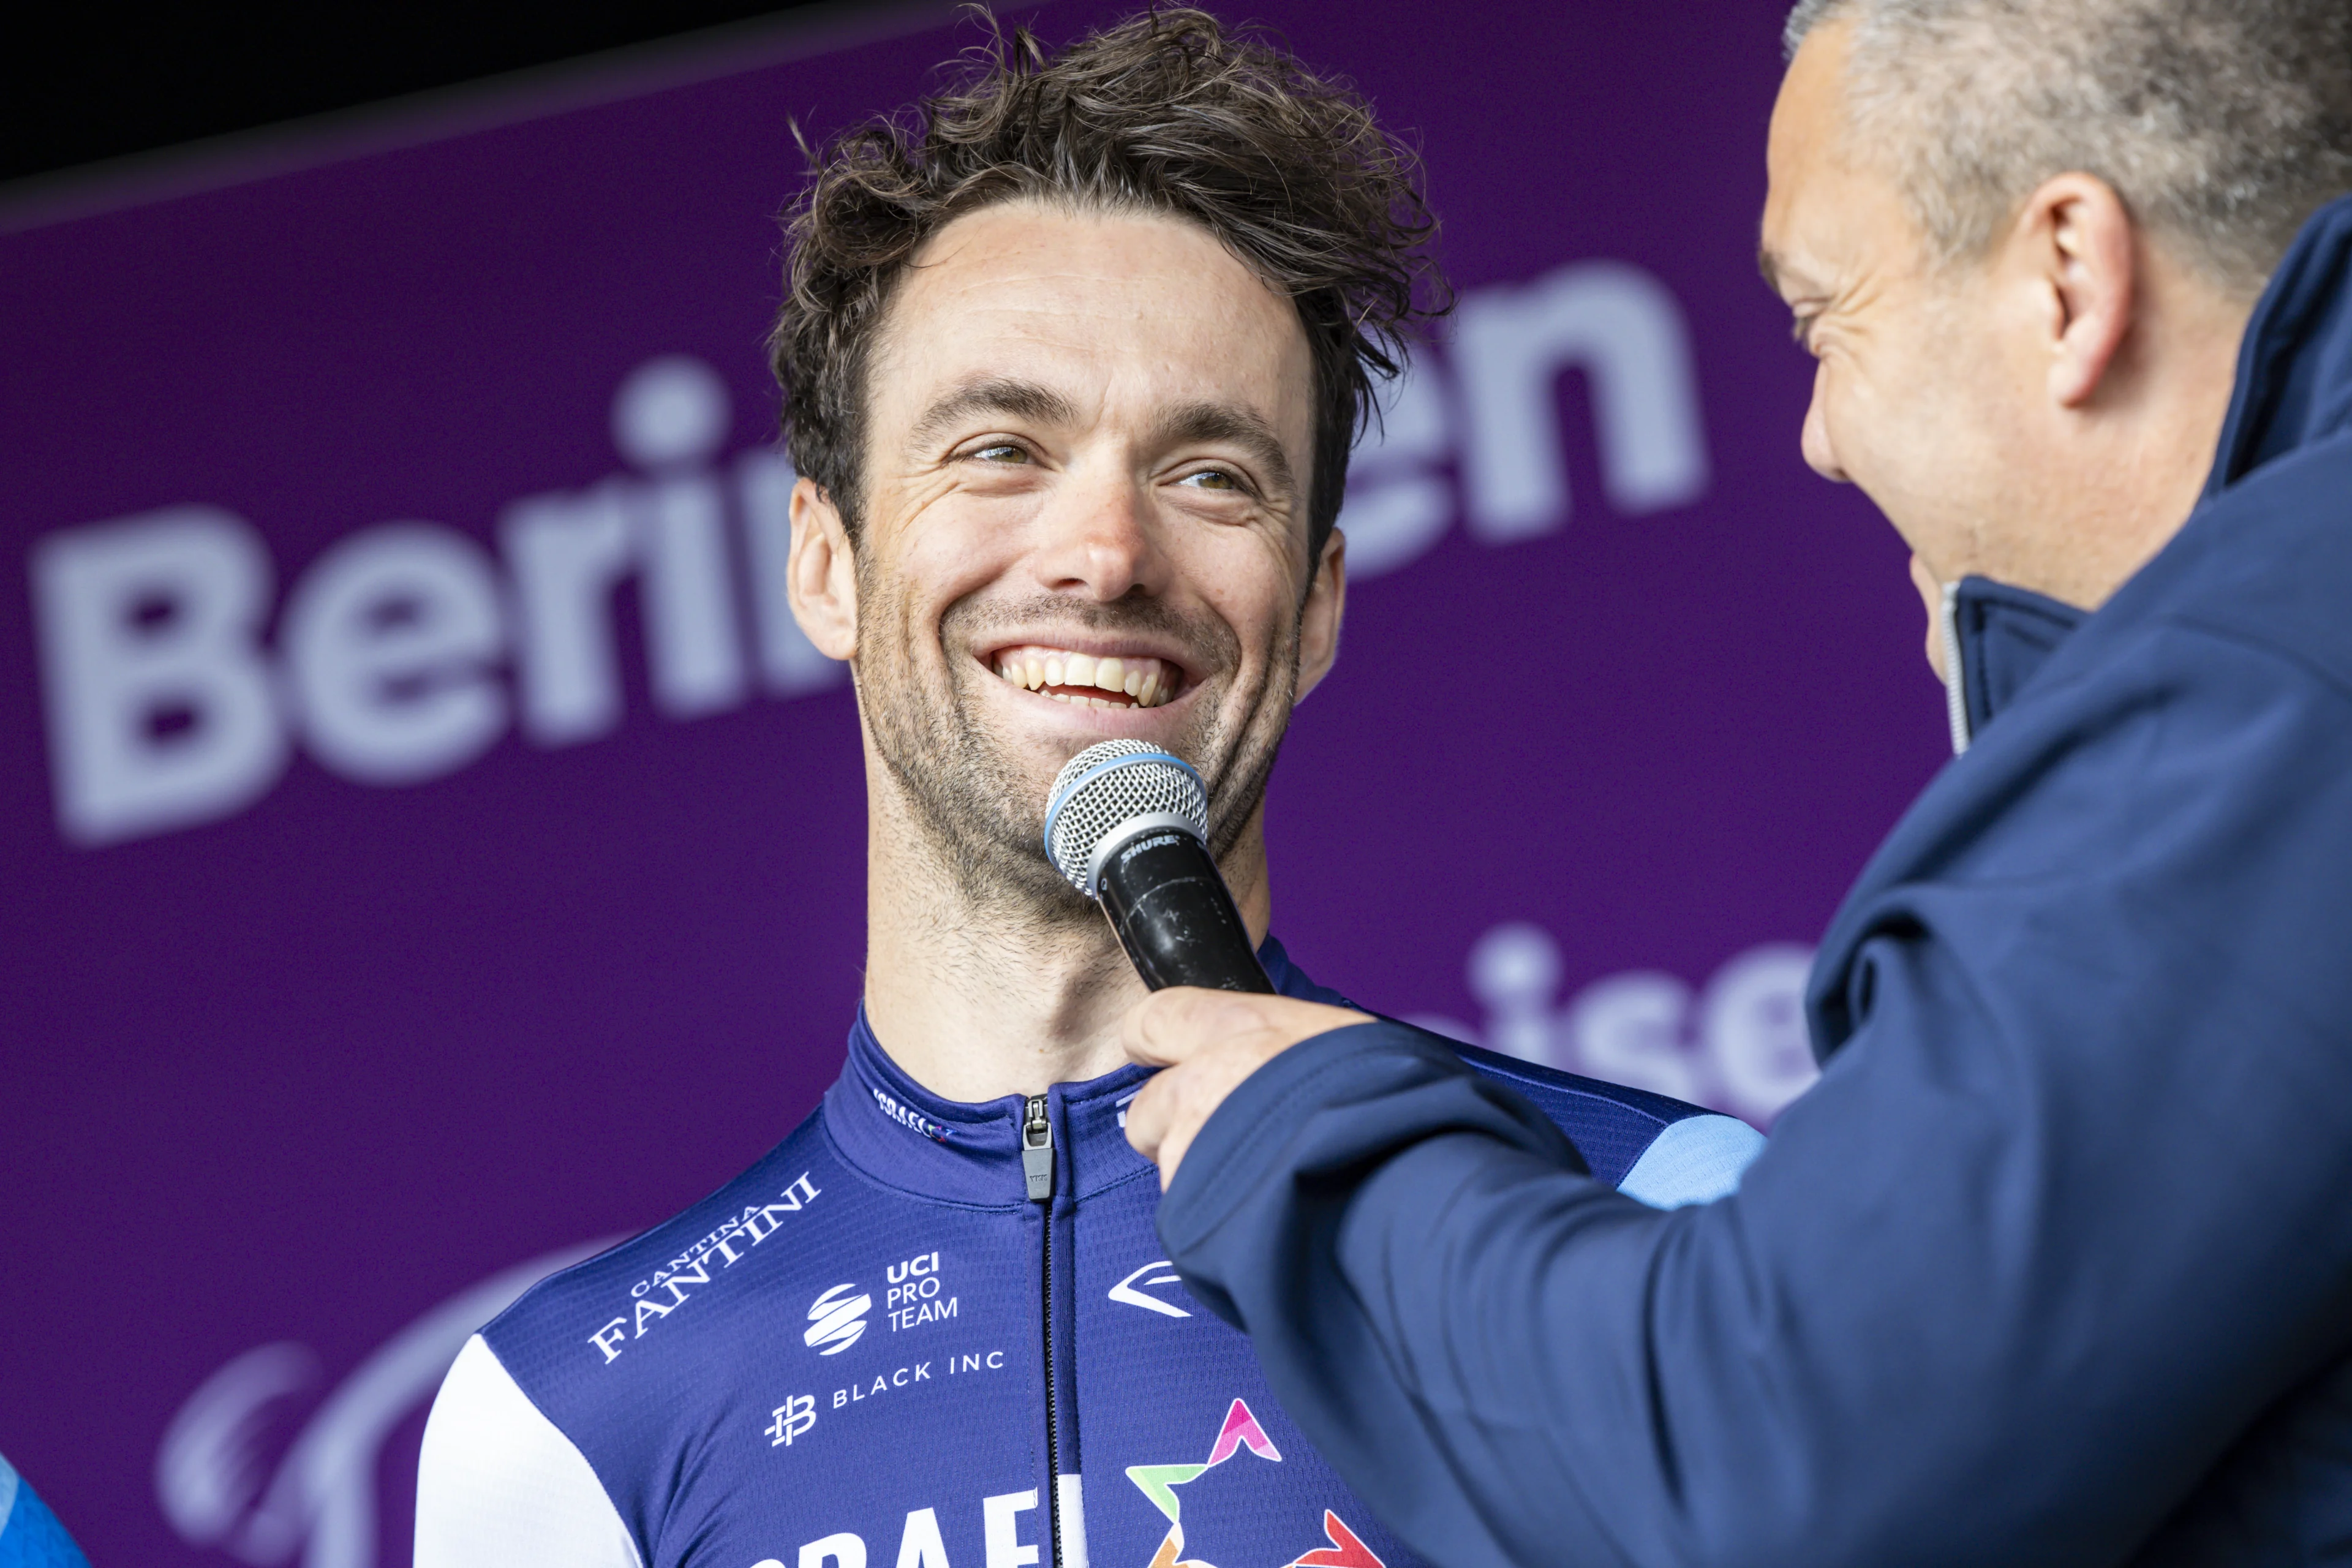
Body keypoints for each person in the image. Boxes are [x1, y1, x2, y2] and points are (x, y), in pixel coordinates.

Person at [410, 13, 1760, 1567]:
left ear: (1316, 604)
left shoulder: (1662, 1222)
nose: (1106, 554)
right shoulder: (569, 1419)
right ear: (825, 560)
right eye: (999, 447)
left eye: (1211, 474)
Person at [1120, 2, 2352, 1564]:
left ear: (2066, 278)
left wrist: (1302, 1138)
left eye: (1826, 320)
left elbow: (1778, 1452)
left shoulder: (2283, 673)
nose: (1821, 438)